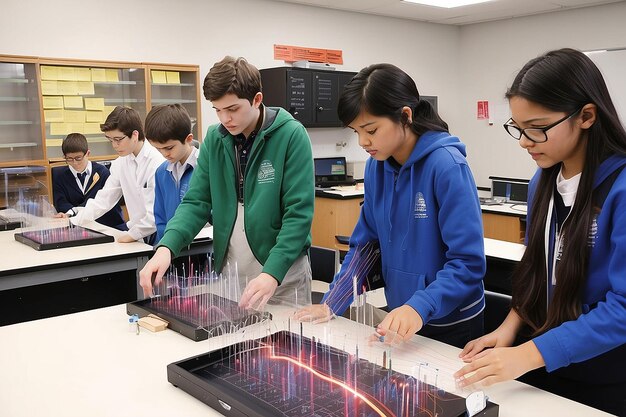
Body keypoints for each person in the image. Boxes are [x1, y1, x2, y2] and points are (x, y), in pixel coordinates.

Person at [455, 48, 626, 416]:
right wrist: (511, 325)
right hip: (546, 359)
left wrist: (528, 355)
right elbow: (538, 270)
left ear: (586, 116)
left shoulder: (621, 188)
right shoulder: (542, 183)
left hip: (607, 373)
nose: (524, 141)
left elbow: (623, 308)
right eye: (518, 128)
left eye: (538, 128)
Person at [295, 63, 486, 349]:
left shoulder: (446, 166)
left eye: (371, 129)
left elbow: (468, 264)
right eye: (355, 131)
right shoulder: (376, 167)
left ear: (405, 116)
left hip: (450, 322)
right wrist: (332, 302)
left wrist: (419, 306)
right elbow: (367, 245)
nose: (362, 141)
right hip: (403, 315)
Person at [139, 56, 315, 309]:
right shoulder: (215, 138)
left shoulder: (291, 135)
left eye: (232, 109)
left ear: (257, 99)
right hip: (233, 271)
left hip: (282, 273)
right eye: (217, 110)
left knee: (281, 344)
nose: (225, 119)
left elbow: (298, 215)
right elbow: (197, 201)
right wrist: (166, 247)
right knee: (236, 346)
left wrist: (272, 273)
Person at [72, 106, 164, 243]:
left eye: (118, 139)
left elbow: (155, 214)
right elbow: (104, 199)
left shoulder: (157, 162)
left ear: (135, 135)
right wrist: (73, 222)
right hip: (137, 234)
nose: (114, 145)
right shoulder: (120, 163)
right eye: (110, 140)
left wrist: (130, 236)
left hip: (160, 233)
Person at [145, 104, 199, 243]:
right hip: (171, 250)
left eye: (169, 148)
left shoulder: (205, 167)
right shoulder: (161, 172)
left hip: (201, 247)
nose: (164, 154)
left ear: (188, 138)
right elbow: (161, 218)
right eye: (158, 149)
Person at [52, 133, 126, 230]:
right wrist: (68, 214)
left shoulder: (102, 172)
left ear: (87, 153)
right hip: (77, 226)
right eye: (69, 159)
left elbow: (100, 200)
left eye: (78, 158)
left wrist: (73, 212)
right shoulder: (59, 175)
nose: (75, 163)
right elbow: (61, 202)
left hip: (108, 225)